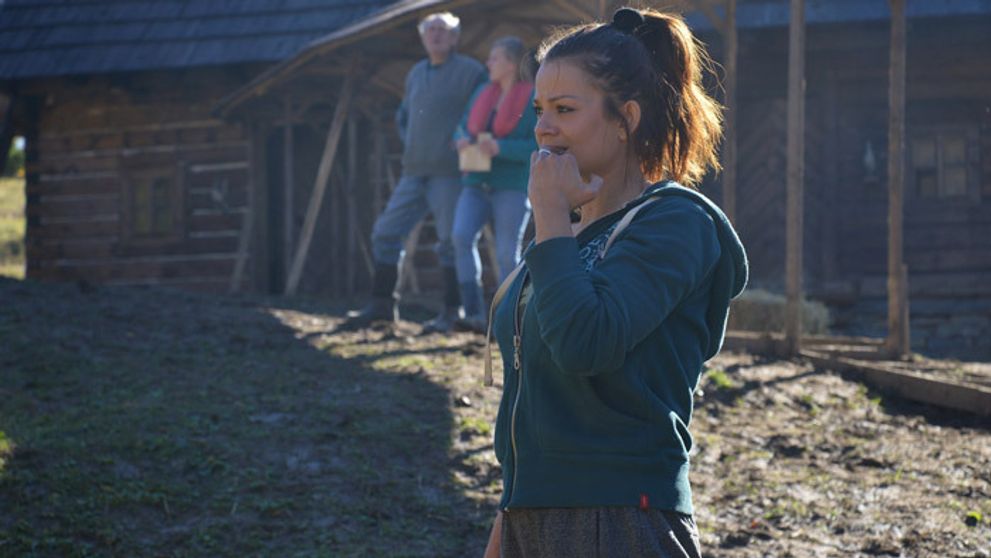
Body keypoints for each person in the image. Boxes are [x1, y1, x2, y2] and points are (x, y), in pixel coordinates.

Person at [483, 7, 748, 558]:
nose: (542, 128)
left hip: (622, 519)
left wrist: (550, 218)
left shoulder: (676, 222)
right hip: (531, 515)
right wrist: (508, 519)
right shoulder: (568, 237)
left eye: (565, 109)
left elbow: (586, 343)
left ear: (625, 118)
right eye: (539, 110)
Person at [346, 12, 485, 332]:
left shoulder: (470, 72)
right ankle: (382, 305)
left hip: (451, 173)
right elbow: (404, 115)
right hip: (414, 172)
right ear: (423, 38)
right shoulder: (415, 73)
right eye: (430, 30)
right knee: (385, 232)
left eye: (442, 31)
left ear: (454, 38)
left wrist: (475, 168)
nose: (435, 35)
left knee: (451, 242)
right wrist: (413, 145)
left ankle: (454, 312)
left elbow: (481, 116)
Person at [451, 36, 537, 333]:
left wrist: (501, 148)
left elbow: (537, 144)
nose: (488, 63)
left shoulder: (533, 98)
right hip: (475, 181)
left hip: (511, 185)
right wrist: (461, 140)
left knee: (505, 253)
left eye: (494, 58)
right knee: (461, 237)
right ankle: (473, 311)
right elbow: (462, 125)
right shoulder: (481, 93)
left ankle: (509, 319)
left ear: (511, 64)